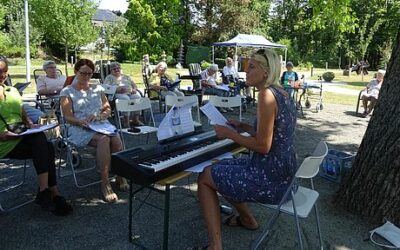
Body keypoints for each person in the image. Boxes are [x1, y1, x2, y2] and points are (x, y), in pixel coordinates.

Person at [195, 49, 297, 250]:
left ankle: (215, 246)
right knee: (223, 166)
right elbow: (275, 135)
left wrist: (229, 133)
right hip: (284, 173)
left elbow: (263, 146)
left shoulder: (266, 96)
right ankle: (247, 219)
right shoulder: (282, 92)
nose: (245, 72)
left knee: (206, 177)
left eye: (251, 67)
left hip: (270, 177)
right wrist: (245, 127)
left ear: (266, 72)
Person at [0, 56, 72, 216]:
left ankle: (46, 192)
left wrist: (31, 124)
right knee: (44, 145)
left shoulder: (11, 90)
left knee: (44, 144)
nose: (3, 75)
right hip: (3, 142)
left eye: (5, 71)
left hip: (19, 134)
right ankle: (51, 192)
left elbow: (22, 111)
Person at [60, 59, 127, 203]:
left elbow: (107, 108)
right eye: (83, 73)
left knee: (115, 139)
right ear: (76, 72)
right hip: (78, 127)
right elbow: (67, 117)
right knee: (104, 139)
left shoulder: (97, 88)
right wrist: (80, 121)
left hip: (100, 123)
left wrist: (101, 115)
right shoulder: (67, 91)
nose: (86, 76)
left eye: (89, 74)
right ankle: (105, 183)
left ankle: (120, 175)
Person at [103, 62, 143, 126]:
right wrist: (116, 89)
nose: (116, 70)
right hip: (117, 94)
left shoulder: (126, 76)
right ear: (111, 70)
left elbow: (134, 85)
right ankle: (126, 120)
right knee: (125, 99)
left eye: (118, 68)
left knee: (137, 97)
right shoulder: (109, 77)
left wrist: (134, 89)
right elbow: (106, 88)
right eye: (114, 69)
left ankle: (135, 119)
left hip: (130, 93)